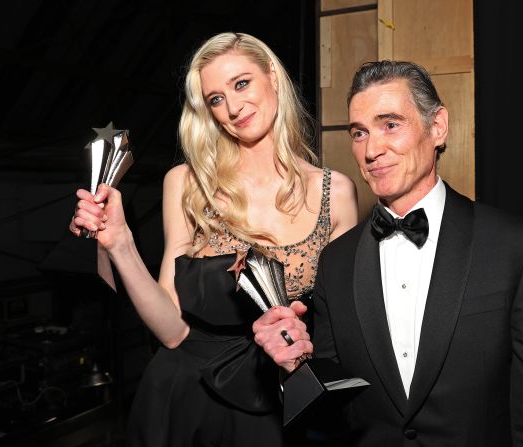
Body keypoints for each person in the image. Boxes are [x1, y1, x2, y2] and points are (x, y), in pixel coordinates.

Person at [253, 60, 523, 446]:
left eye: (390, 125)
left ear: (437, 126)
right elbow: (331, 421)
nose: (372, 149)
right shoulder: (337, 262)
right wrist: (295, 368)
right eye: (359, 133)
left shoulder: (517, 248)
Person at [69, 32, 357, 447]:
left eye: (242, 84)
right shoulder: (187, 184)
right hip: (182, 398)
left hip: (276, 402)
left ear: (272, 76)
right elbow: (170, 331)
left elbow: (337, 331)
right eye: (216, 99)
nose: (233, 108)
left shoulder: (336, 192)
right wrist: (120, 243)